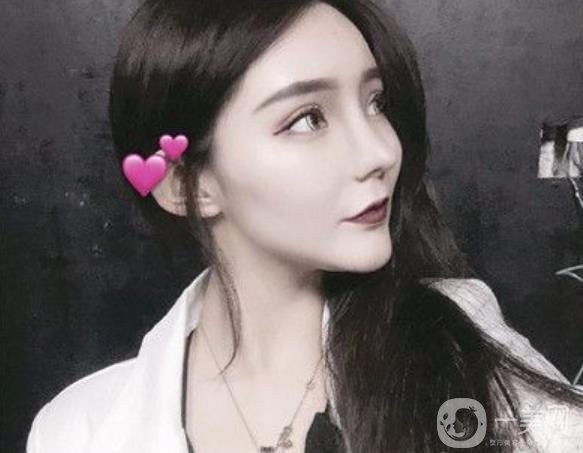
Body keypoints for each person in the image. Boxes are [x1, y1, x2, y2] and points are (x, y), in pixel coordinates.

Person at [26, 0, 583, 452]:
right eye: (307, 119)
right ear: (189, 185)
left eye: (376, 102)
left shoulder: (459, 348)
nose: (381, 151)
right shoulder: (80, 429)